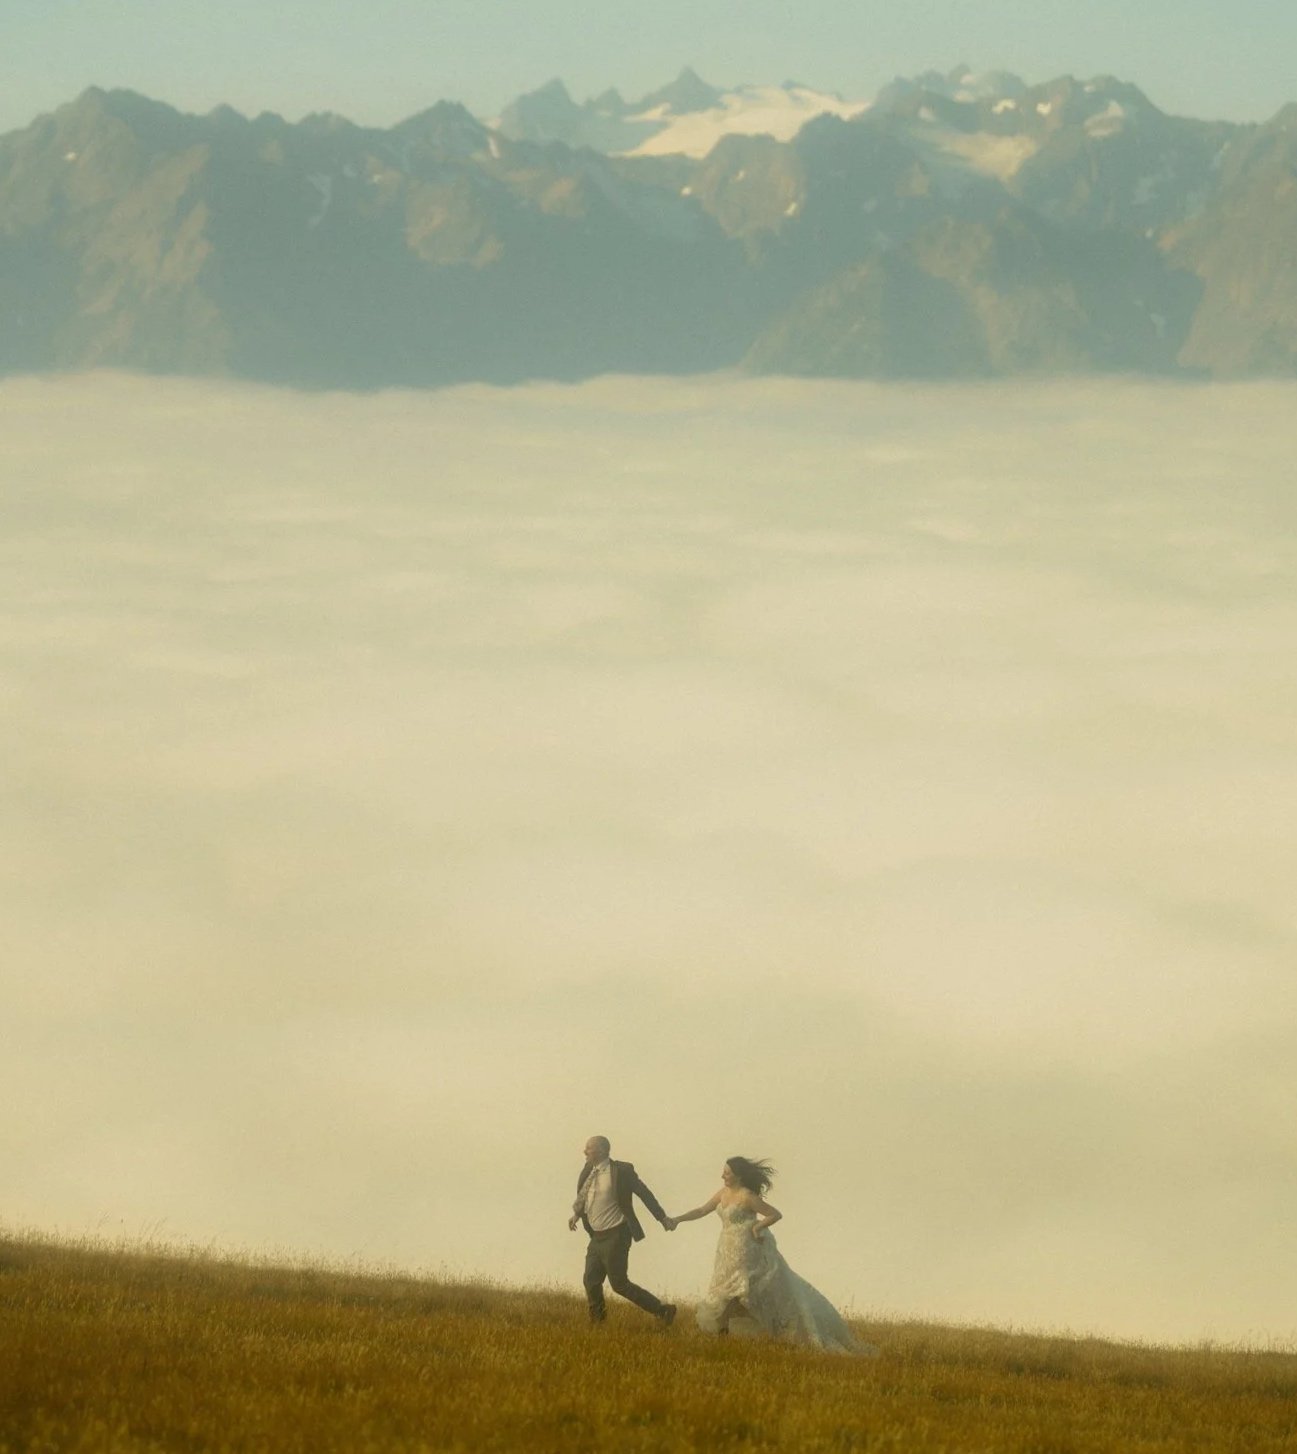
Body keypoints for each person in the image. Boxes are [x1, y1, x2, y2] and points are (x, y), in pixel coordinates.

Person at [669, 1156, 872, 1355]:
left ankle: (723, 1328)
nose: (723, 1175)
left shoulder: (747, 1196)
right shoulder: (723, 1193)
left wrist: (758, 1227)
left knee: (738, 1288)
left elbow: (774, 1214)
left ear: (738, 1176)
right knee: (724, 1288)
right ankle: (727, 1327)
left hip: (746, 1248)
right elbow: (702, 1210)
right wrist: (678, 1219)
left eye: (727, 1173)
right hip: (725, 1249)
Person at [569, 1135, 677, 1327]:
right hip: (597, 1236)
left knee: (618, 1284)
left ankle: (663, 1310)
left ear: (602, 1150)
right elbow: (585, 1196)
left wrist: (662, 1217)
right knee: (590, 1280)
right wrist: (577, 1214)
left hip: (617, 1234)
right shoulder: (588, 1170)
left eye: (589, 1148)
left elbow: (644, 1193)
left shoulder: (621, 1171)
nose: (584, 1152)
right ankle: (598, 1323)